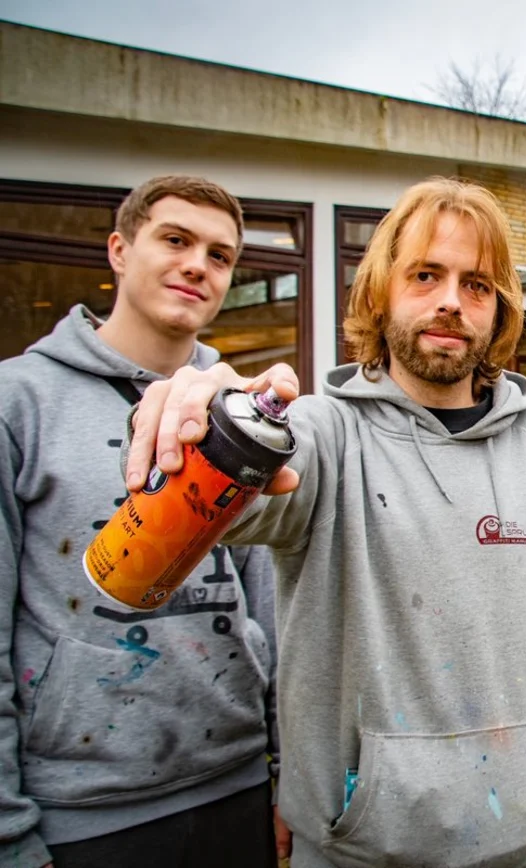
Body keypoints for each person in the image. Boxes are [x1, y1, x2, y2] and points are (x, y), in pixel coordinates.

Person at [121, 177, 526, 868]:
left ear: (498, 310)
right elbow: (248, 489)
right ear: (380, 293)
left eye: (476, 285)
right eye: (425, 275)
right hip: (364, 847)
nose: (449, 301)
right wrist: (210, 427)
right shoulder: (323, 433)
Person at [0, 176, 281, 868]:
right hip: (83, 811)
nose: (197, 265)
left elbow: (272, 609)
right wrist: (9, 834)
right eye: (176, 240)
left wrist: (285, 770)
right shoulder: (21, 403)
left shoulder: (242, 414)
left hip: (237, 783)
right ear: (120, 250)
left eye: (219, 256)